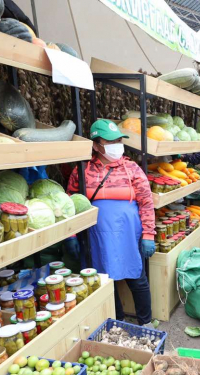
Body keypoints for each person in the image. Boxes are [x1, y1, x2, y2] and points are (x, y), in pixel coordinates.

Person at [67, 119, 155, 326]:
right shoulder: (82, 170)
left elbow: (146, 203)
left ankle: (146, 322)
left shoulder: (132, 168)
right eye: (110, 141)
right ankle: (118, 321)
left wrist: (149, 235)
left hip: (127, 235)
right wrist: (70, 235)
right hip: (95, 236)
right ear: (96, 145)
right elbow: (70, 203)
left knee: (137, 278)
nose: (117, 145)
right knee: (105, 280)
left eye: (118, 140)